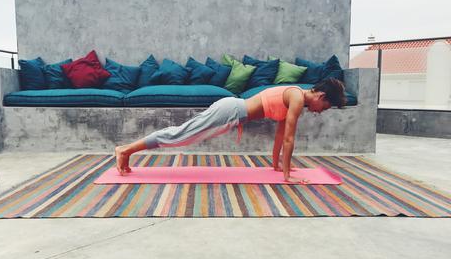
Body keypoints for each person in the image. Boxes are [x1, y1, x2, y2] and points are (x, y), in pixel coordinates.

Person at [115, 78, 347, 183]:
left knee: (180, 136)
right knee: (179, 136)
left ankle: (126, 151)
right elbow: (289, 139)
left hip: (231, 113)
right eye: (324, 107)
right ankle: (125, 150)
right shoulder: (297, 97)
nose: (320, 111)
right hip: (230, 112)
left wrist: (276, 166)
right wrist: (287, 177)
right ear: (321, 96)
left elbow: (279, 136)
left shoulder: (297, 98)